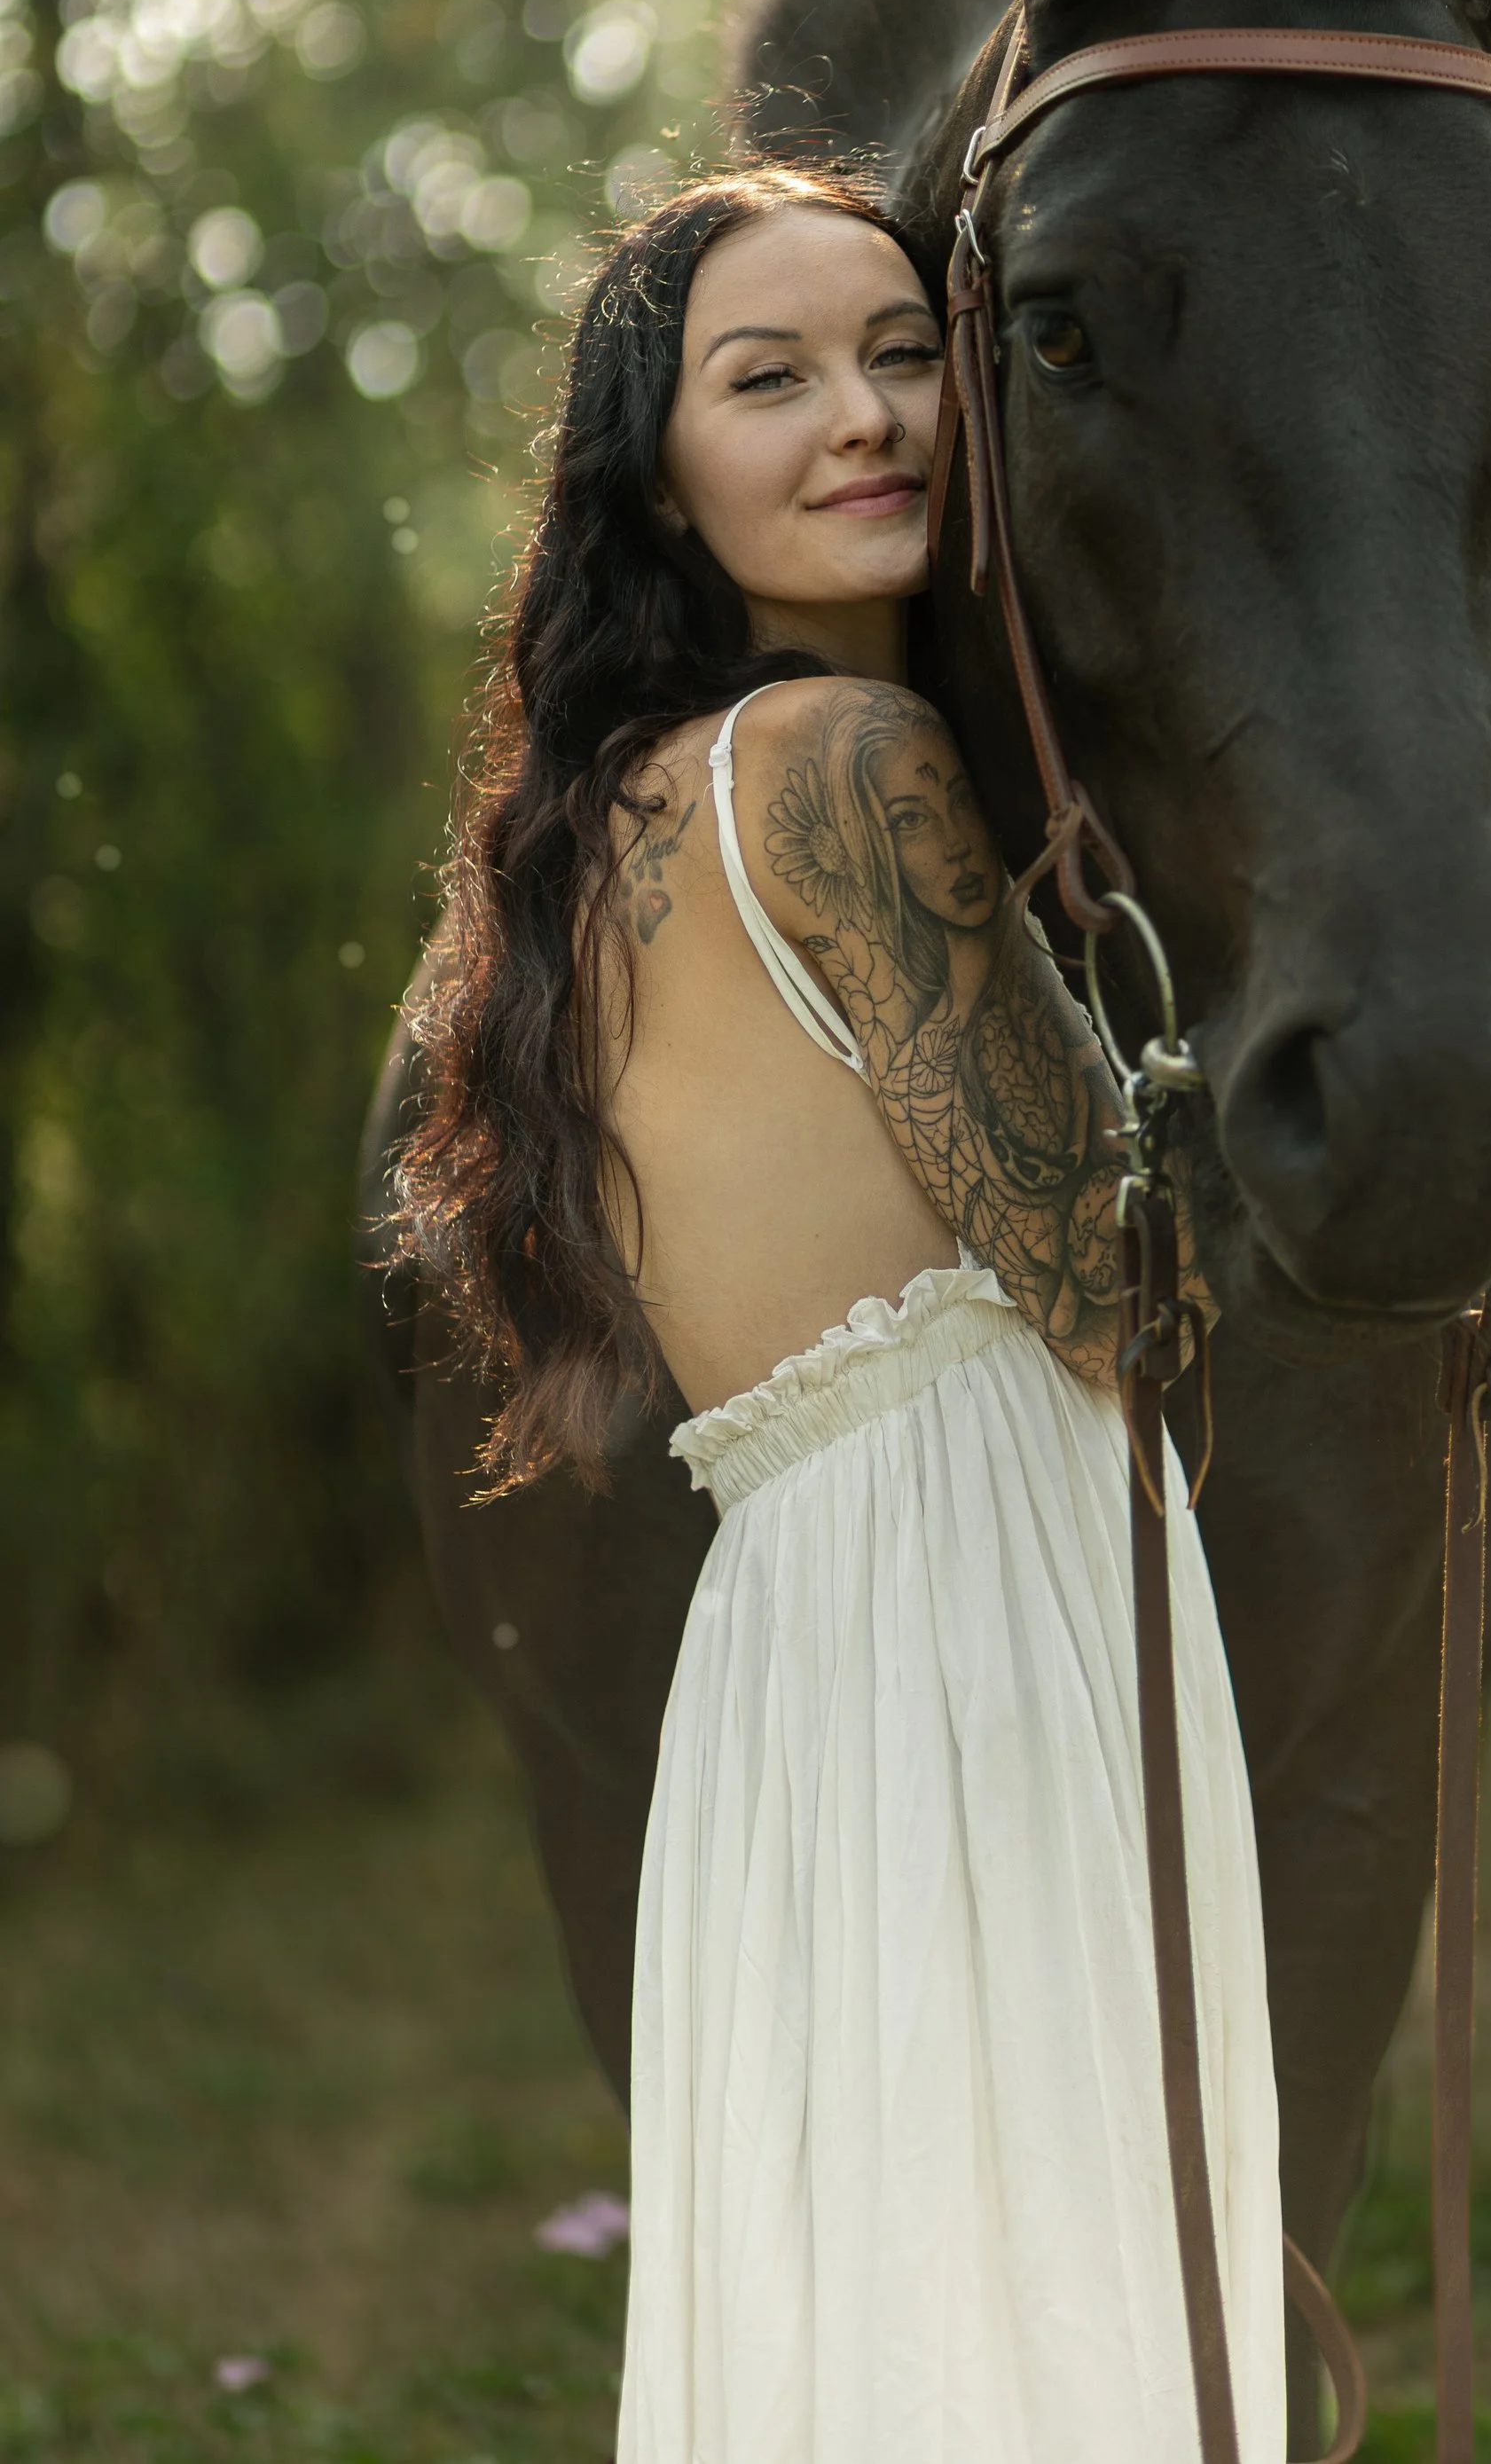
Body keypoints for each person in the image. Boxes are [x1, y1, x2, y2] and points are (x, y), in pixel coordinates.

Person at [398, 169, 1284, 2462]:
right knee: (1043, 2234)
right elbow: (1107, 1278)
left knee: (899, 2269)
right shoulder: (844, 768)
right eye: (766, 376)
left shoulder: (598, 819)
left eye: (904, 352)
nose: (864, 416)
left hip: (799, 1620)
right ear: (658, 468)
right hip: (974, 1572)